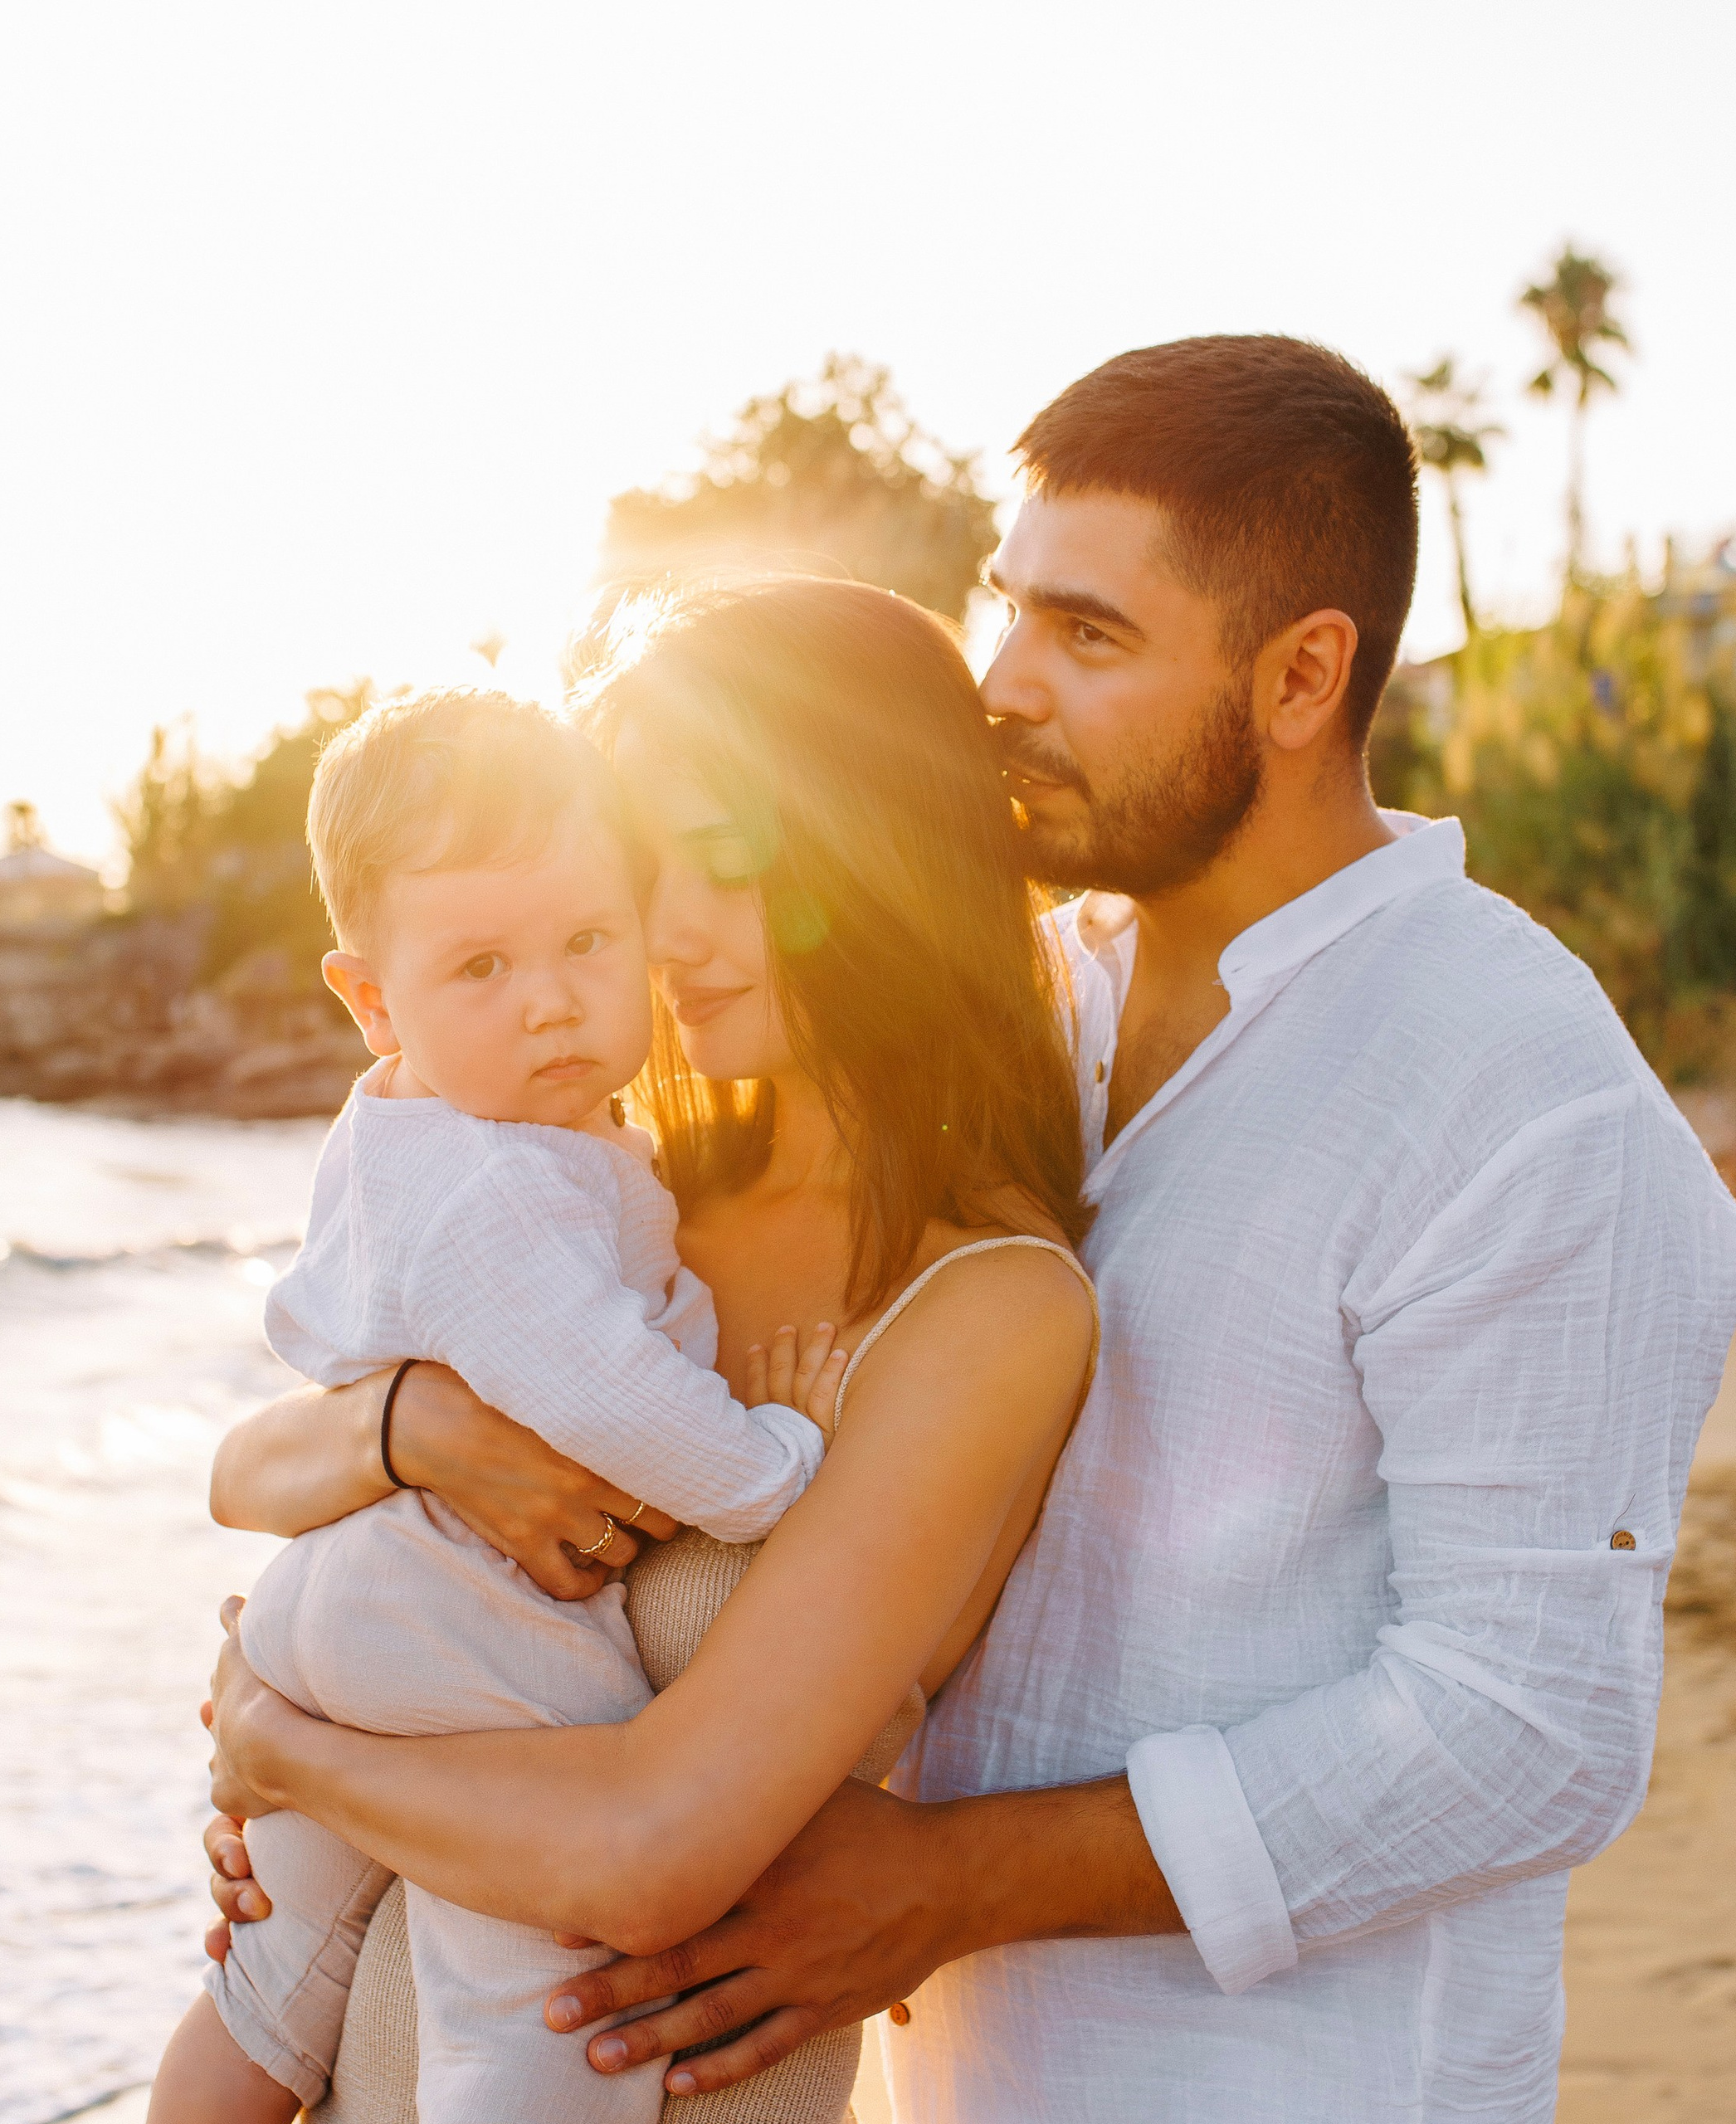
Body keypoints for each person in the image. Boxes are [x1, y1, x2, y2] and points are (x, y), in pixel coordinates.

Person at [216, 336, 1736, 2122]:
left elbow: (1533, 1728)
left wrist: (953, 1874)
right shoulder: (1038, 1019)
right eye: (1005, 608)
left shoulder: (1515, 1085)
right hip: (950, 2070)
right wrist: (374, 1512)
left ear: (1300, 675)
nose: (1005, 686)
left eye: (1087, 635)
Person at [193, 576, 1101, 2120]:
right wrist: (410, 1430)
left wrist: (291, 1752)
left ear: (875, 852)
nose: (671, 937)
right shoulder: (623, 1185)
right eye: (644, 870)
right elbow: (249, 1469)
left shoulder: (989, 1306)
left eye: (732, 865)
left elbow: (649, 1853)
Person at [149, 689, 846, 2123]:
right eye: (481, 965)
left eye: (589, 941)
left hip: (345, 1609)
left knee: (265, 1988)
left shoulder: (447, 1127)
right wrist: (782, 1462)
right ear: (372, 1001)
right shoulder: (498, 1186)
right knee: (538, 1996)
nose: (550, 999)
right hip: (451, 1619)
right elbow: (618, 1406)